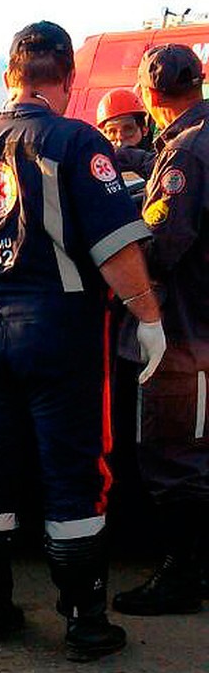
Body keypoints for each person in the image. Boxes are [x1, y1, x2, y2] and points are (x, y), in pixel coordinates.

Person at [0, 20, 166, 662]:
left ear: (10, 76)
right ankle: (86, 620)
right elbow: (115, 247)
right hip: (59, 332)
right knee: (76, 472)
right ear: (67, 77)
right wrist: (148, 316)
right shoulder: (76, 141)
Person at [112, 44, 209, 616]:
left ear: (151, 97)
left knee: (175, 455)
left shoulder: (185, 156)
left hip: (185, 328)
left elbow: (162, 244)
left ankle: (181, 575)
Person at [95, 88, 156, 180]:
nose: (120, 138)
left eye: (128, 129)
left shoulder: (160, 154)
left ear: (144, 130)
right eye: (112, 132)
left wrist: (133, 158)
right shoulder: (98, 160)